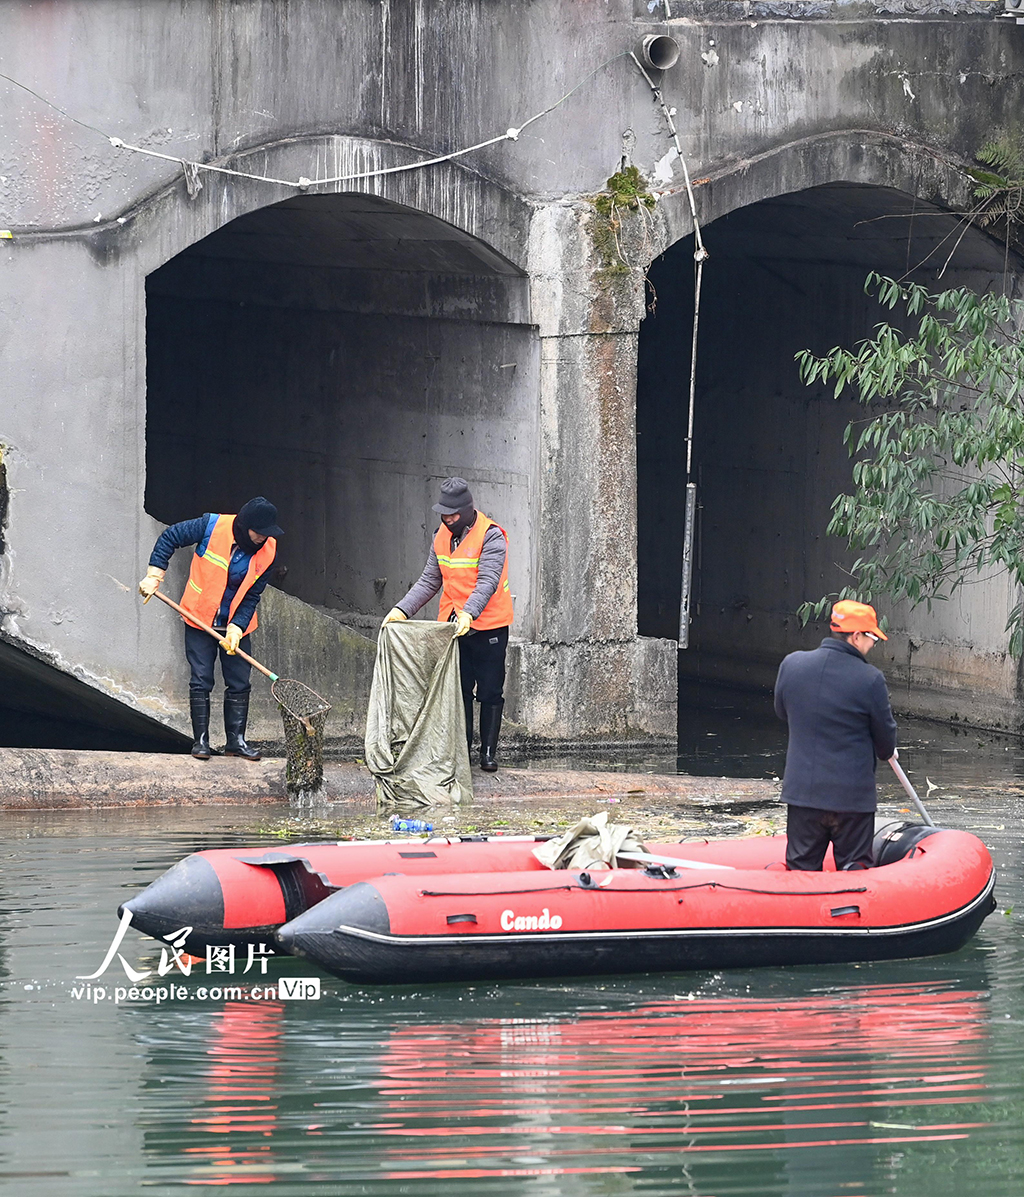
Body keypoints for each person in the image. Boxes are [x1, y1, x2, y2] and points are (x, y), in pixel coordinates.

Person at [382, 477, 513, 772]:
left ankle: (488, 753)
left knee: (490, 691)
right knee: (460, 690)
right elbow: (430, 579)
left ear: (467, 510)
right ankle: (462, 753)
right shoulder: (441, 536)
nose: (448, 520)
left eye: (453, 515)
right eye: (444, 515)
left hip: (489, 626)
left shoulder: (491, 535)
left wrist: (470, 612)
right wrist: (402, 610)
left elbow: (488, 581)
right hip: (454, 628)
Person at [138, 497, 283, 762]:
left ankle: (236, 742)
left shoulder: (269, 550)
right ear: (245, 525)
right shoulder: (211, 526)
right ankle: (201, 742)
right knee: (201, 679)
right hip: (200, 618)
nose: (263, 538)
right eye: (259, 532)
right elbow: (170, 537)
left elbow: (252, 596)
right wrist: (154, 574)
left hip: (236, 624)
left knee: (239, 682)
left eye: (267, 534)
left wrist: (237, 628)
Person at [773, 599, 898, 871]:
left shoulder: (791, 665)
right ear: (855, 636)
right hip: (851, 800)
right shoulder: (870, 678)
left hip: (803, 795)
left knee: (800, 871)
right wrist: (886, 749)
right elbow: (885, 743)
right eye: (872, 636)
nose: (874, 643)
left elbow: (783, 713)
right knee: (855, 872)